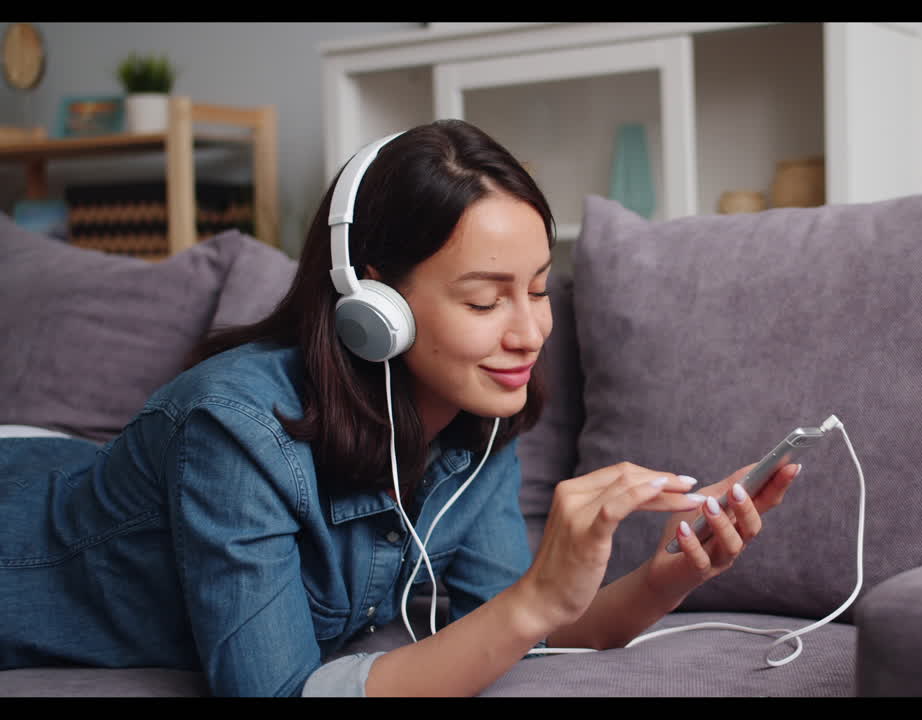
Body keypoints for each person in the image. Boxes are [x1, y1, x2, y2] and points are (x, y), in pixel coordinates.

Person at [0, 119, 801, 697]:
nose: (530, 333)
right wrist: (534, 601)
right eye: (486, 301)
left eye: (537, 290)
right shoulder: (233, 429)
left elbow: (522, 632)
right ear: (373, 301)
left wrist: (665, 578)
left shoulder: (476, 415)